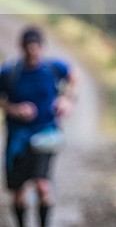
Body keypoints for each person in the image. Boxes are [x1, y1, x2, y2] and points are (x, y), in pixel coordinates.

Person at [0, 26, 78, 227]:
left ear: (42, 48)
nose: (33, 54)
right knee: (18, 192)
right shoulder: (10, 73)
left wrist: (67, 100)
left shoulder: (53, 68)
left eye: (36, 49)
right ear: (22, 48)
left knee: (43, 186)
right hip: (17, 138)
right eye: (29, 49)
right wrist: (14, 109)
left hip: (46, 135)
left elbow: (74, 77)